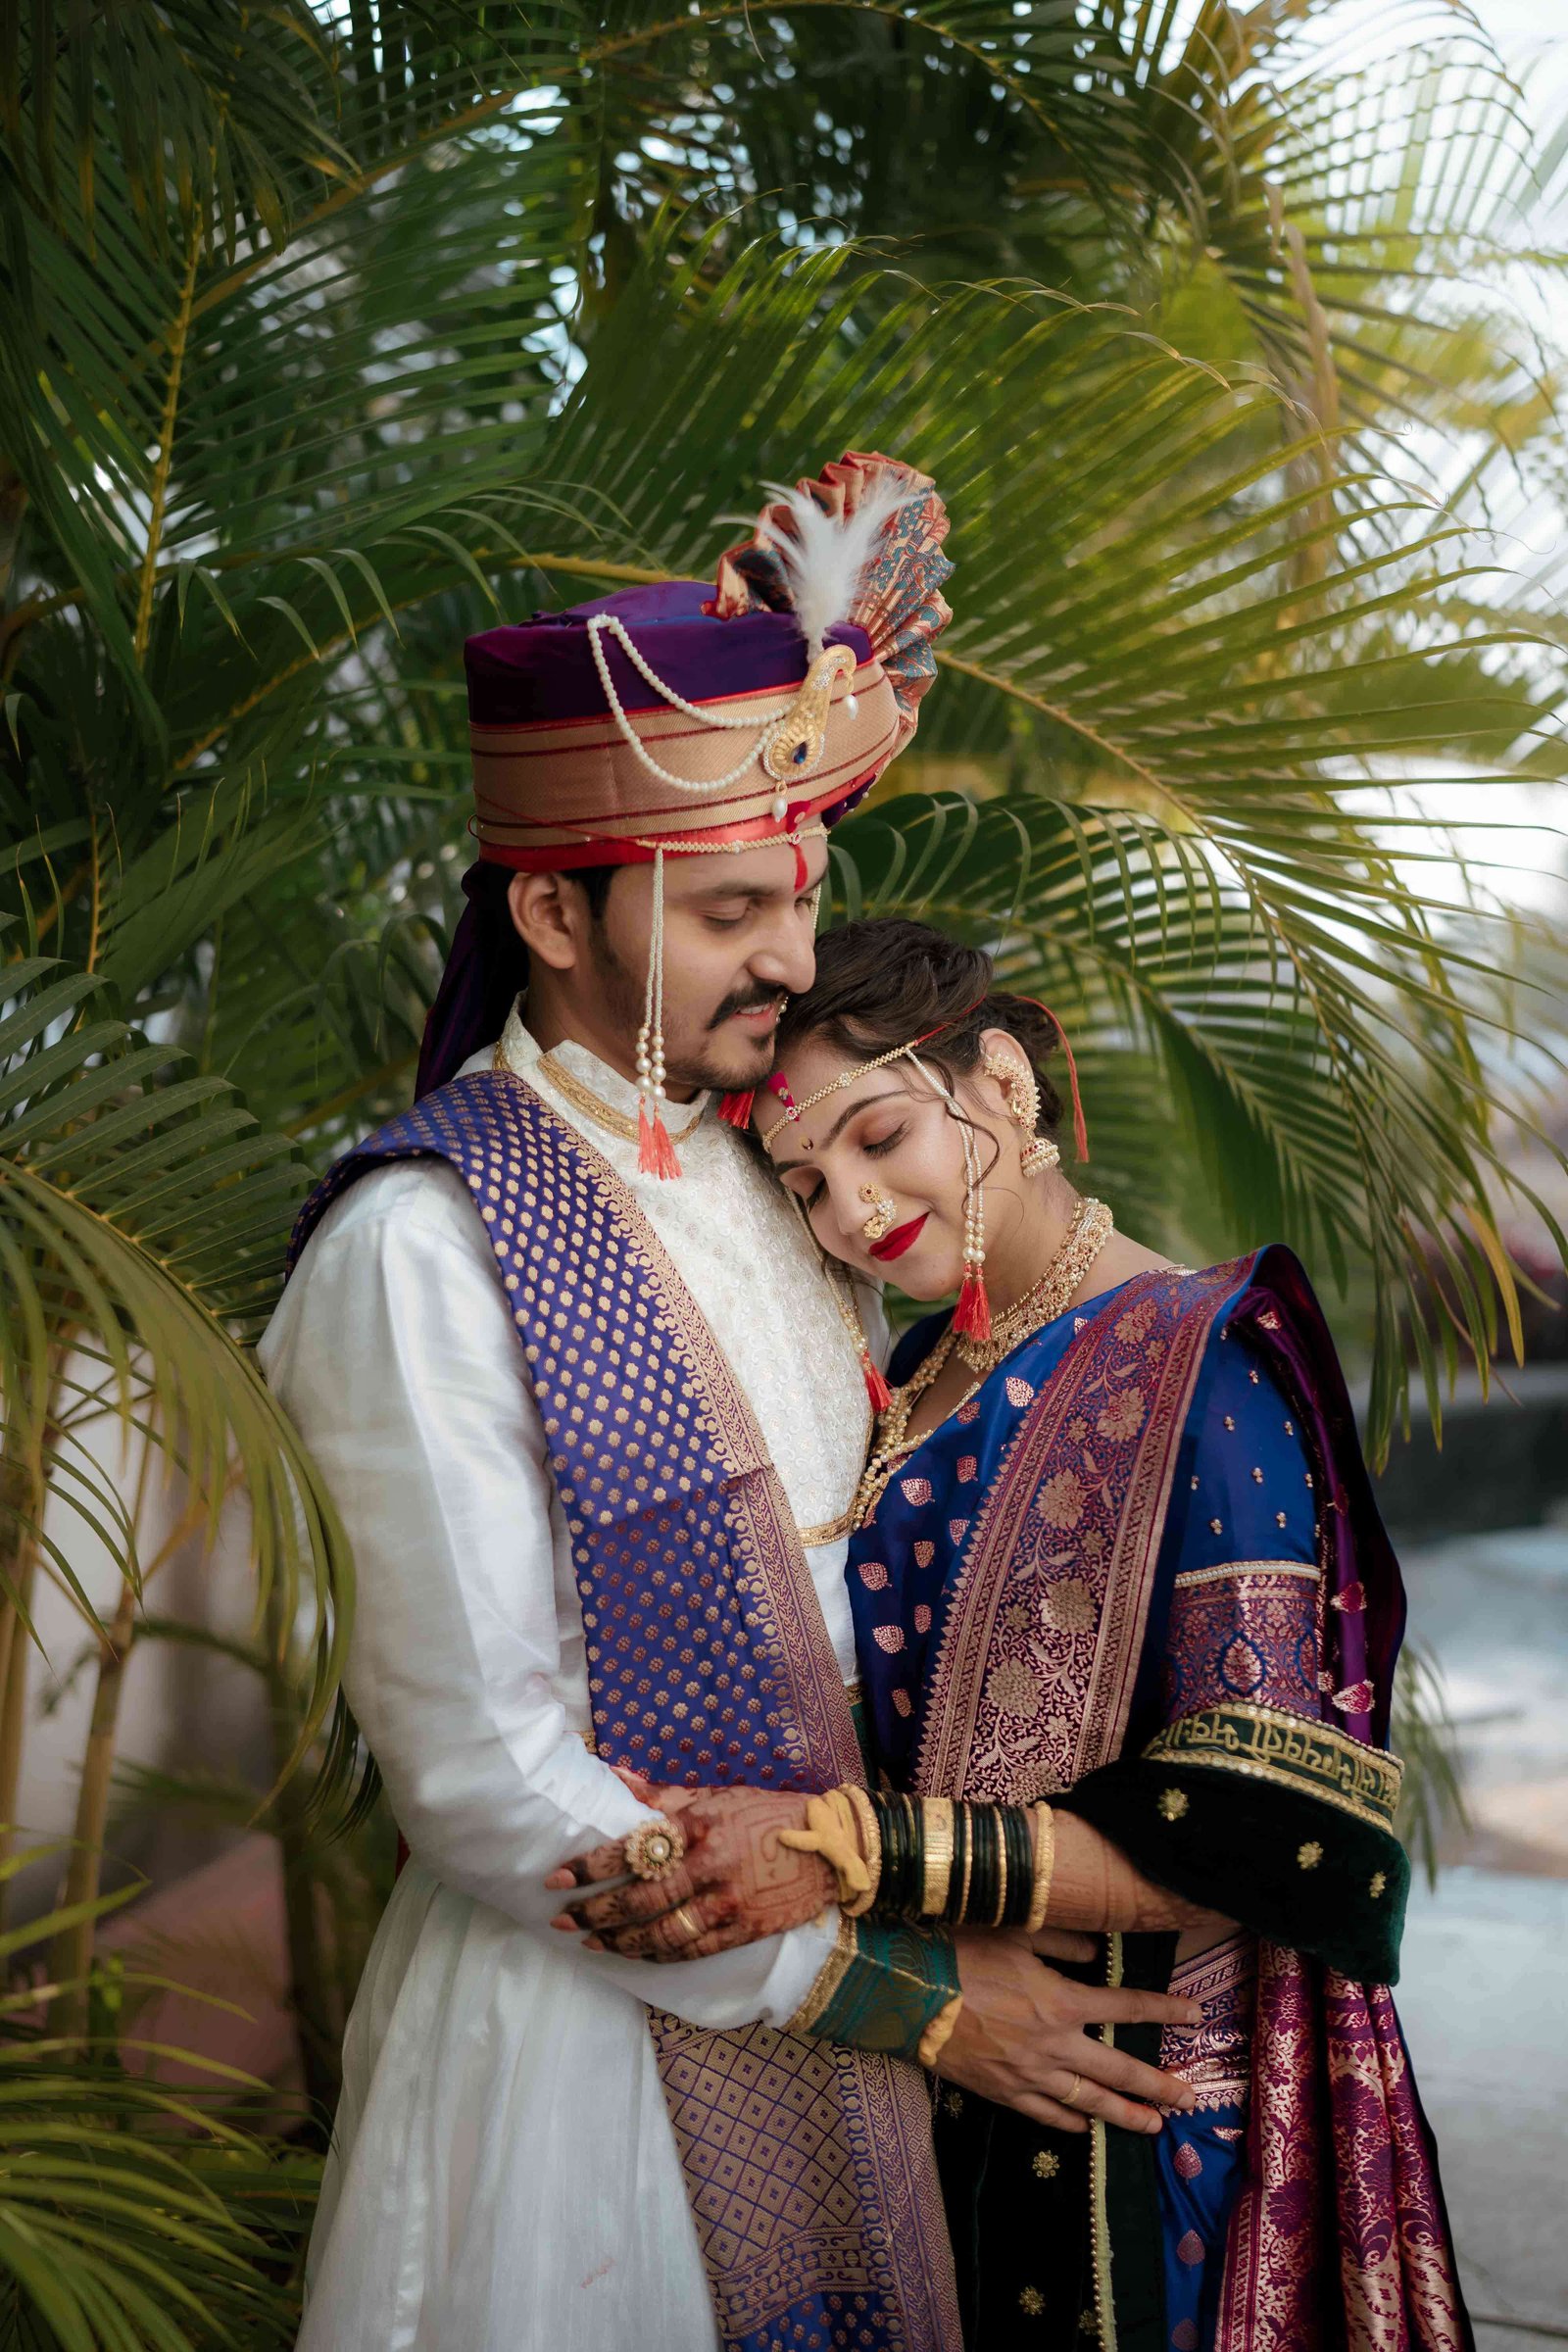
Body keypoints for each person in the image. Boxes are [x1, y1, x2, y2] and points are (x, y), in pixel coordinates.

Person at [261, 463, 1202, 2352]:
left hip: (879, 1993)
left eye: (802, 899)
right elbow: (480, 1771)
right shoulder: (421, 1246)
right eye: (731, 911)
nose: (790, 955)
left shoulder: (790, 1188)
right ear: (553, 910)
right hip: (582, 2069)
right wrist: (907, 1999)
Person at [553, 917, 1475, 2352]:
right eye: (806, 1184)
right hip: (941, 2043)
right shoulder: (918, 1367)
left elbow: (1271, 1819)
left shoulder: (1202, 1362)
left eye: (880, 1135)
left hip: (1140, 2105)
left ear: (999, 1083)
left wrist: (845, 1854)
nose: (855, 1209)